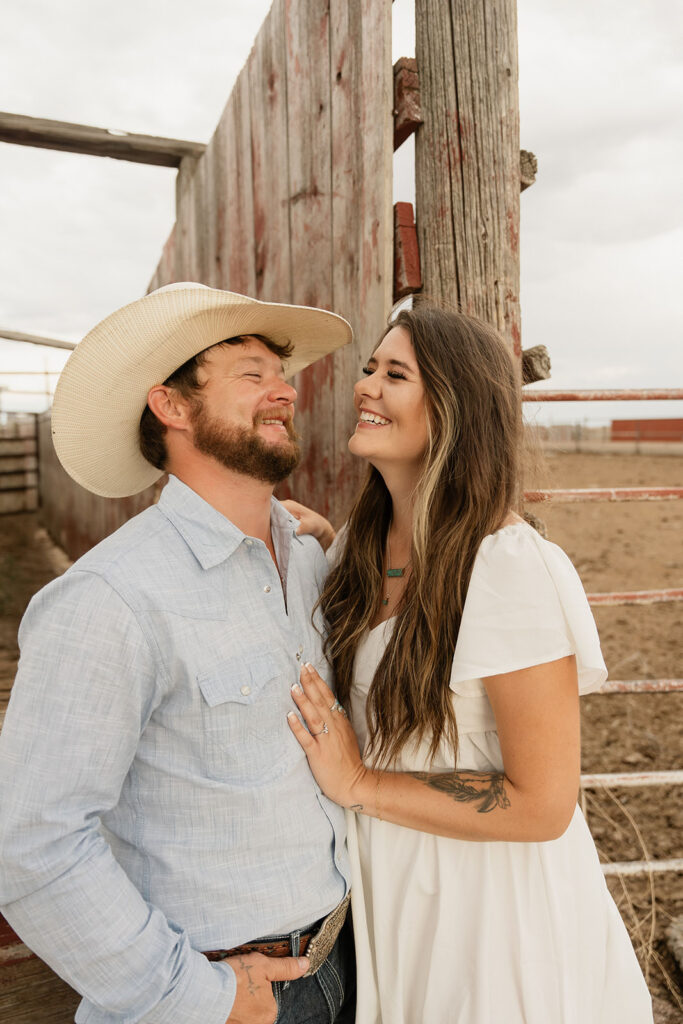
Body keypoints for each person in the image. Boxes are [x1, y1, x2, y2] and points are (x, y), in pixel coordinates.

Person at [284, 303, 654, 1023]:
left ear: (454, 408)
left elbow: (543, 803)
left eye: (395, 374)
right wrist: (322, 553)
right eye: (368, 369)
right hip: (397, 898)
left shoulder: (508, 568)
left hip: (492, 914)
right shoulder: (357, 546)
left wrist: (359, 782)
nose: (365, 387)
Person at [0, 282, 357, 1024]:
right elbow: (30, 841)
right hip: (224, 993)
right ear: (171, 406)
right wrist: (196, 1000)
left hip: (346, 962)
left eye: (281, 375)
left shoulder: (308, 558)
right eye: (251, 374)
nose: (282, 392)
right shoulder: (110, 598)